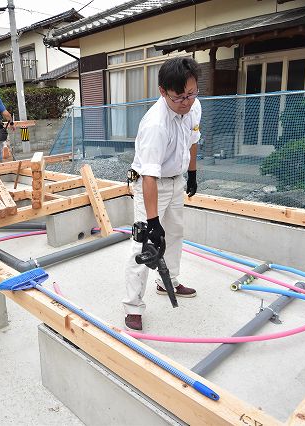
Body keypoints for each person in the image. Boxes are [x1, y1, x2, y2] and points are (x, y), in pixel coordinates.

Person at [123, 57, 201, 331]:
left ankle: (170, 281)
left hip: (176, 179)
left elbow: (193, 140)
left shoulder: (194, 106)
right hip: (151, 184)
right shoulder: (155, 125)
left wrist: (192, 172)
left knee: (176, 232)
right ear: (163, 91)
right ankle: (133, 306)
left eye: (191, 93)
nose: (187, 101)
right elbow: (148, 177)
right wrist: (153, 222)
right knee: (144, 245)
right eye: (179, 97)